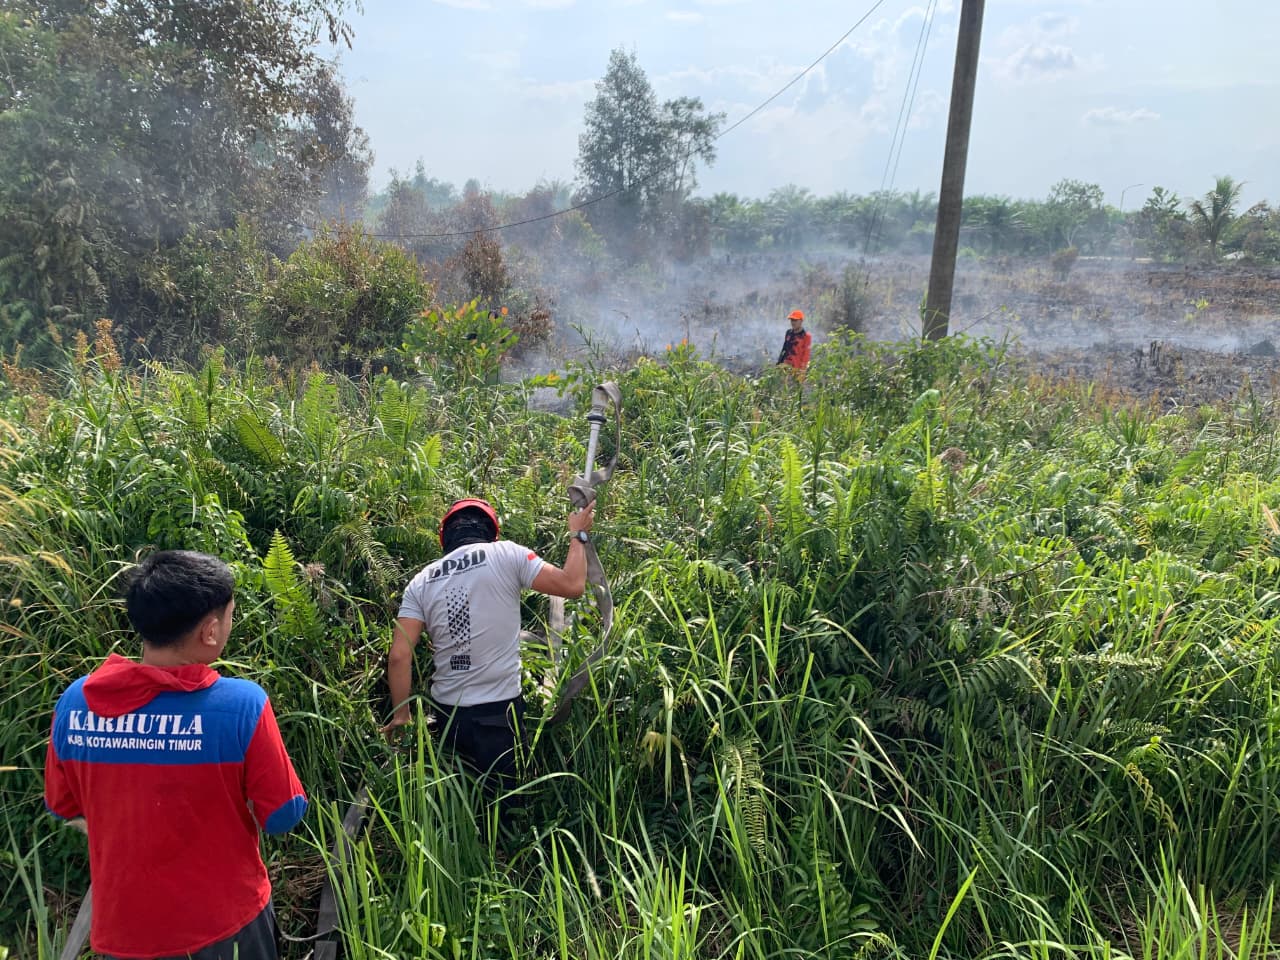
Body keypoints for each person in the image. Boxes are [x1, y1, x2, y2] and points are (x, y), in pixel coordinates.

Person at [43, 550, 307, 960]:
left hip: (127, 932)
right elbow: (283, 815)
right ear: (211, 630)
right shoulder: (242, 706)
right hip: (227, 926)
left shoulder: (77, 704)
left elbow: (62, 806)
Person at [381, 497, 594, 813]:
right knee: (505, 813)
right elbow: (572, 584)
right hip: (499, 716)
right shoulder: (506, 554)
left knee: (456, 809)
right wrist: (578, 534)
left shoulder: (421, 581)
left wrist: (401, 715)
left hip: (447, 715)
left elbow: (400, 655)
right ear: (491, 532)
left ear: (445, 537)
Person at [776, 308, 812, 373]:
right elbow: (784, 349)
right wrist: (779, 363)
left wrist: (802, 371)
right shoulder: (788, 333)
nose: (793, 322)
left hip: (797, 368)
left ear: (801, 321)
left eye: (795, 320)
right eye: (792, 320)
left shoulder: (806, 336)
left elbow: (806, 355)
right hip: (785, 366)